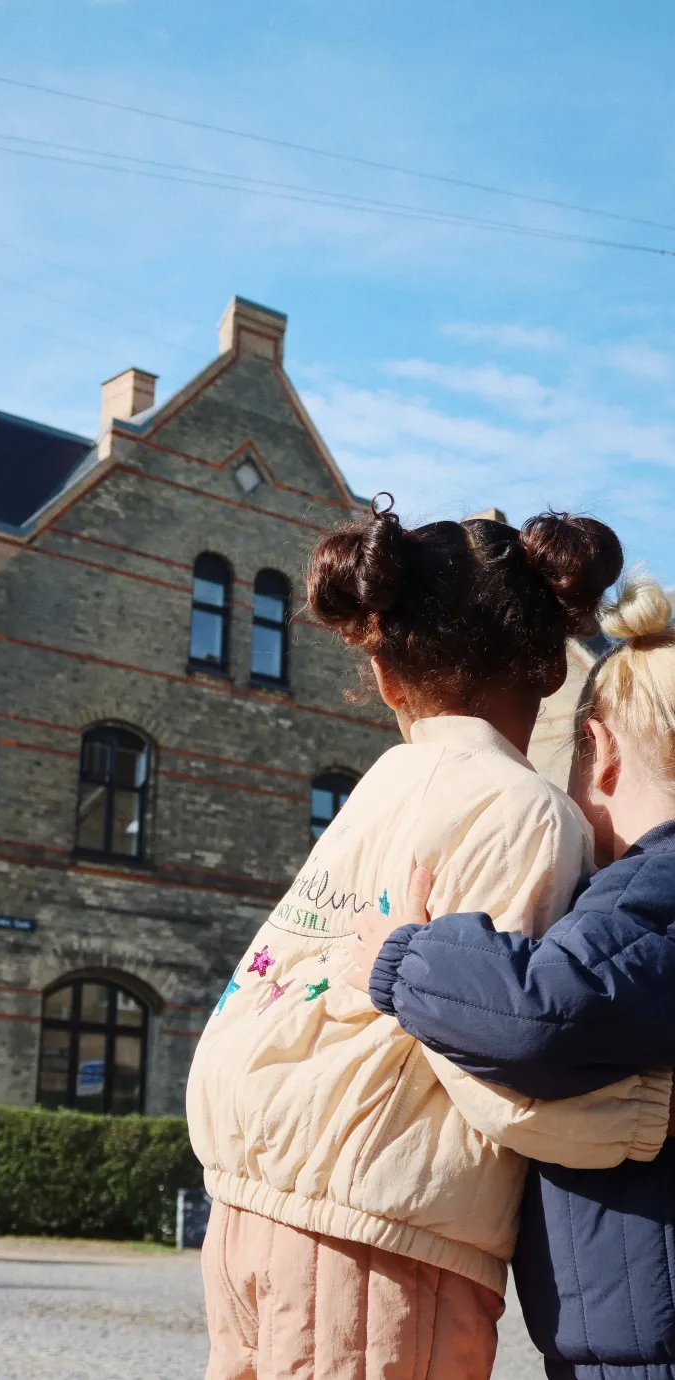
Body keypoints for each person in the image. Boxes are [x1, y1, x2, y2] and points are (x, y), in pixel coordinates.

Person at [186, 500, 671, 1380]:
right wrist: (637, 1117)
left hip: (243, 1206)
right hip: (378, 1226)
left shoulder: (379, 787)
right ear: (548, 669)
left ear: (384, 675)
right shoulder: (524, 809)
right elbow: (496, 1059)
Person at [368, 575, 675, 1380]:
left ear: (600, 755)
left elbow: (546, 1011)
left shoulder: (655, 887)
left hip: (647, 1341)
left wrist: (404, 956)